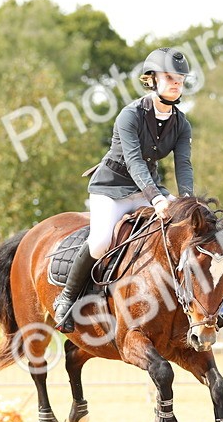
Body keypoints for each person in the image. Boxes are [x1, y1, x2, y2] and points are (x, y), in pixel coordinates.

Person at [53, 47, 196, 332]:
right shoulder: (129, 116)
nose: (176, 82)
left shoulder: (182, 124)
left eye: (179, 77)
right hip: (111, 188)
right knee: (101, 242)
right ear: (151, 80)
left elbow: (183, 165)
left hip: (148, 188)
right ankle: (67, 298)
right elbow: (133, 163)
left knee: (183, 231)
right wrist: (156, 198)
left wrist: (189, 203)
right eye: (169, 77)